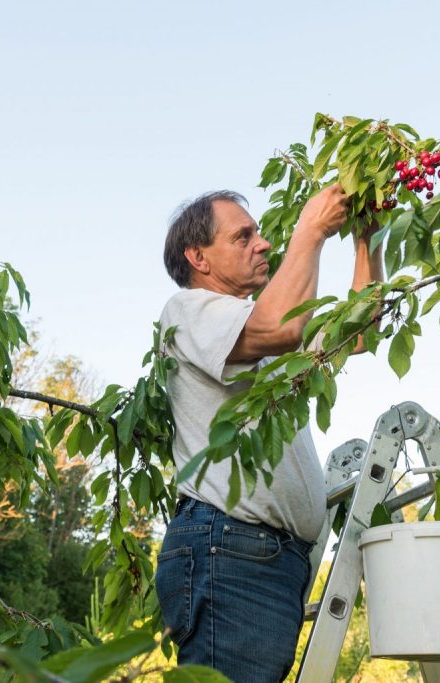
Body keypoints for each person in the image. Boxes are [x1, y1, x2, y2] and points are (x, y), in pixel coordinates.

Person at [155, 185, 383, 682]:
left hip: (265, 560)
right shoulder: (188, 311)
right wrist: (312, 228)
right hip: (230, 552)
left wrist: (368, 238)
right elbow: (277, 327)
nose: (262, 244)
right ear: (199, 258)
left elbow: (358, 332)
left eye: (259, 233)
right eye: (243, 236)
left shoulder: (258, 326)